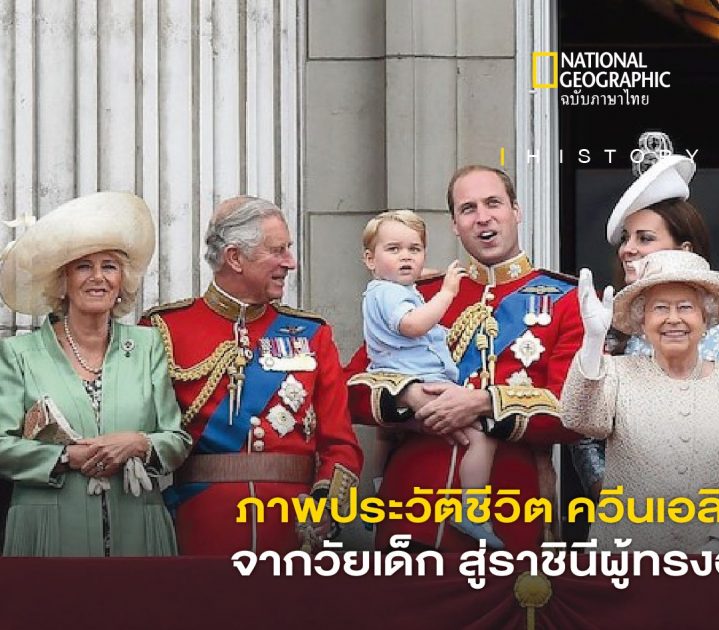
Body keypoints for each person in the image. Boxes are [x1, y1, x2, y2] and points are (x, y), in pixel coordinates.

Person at [344, 165, 584, 552]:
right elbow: (350, 389)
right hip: (411, 508)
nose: (482, 217)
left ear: (516, 211)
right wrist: (408, 396)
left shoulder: (566, 301)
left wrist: (484, 403)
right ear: (455, 225)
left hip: (508, 511)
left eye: (494, 203)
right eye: (468, 209)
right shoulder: (420, 295)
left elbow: (575, 412)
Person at [142, 196, 363, 555]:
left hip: (292, 528)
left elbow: (340, 443)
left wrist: (325, 504)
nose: (290, 262)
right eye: (277, 251)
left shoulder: (312, 333)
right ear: (234, 258)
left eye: (288, 248)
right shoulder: (164, 329)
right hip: (200, 526)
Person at [0, 191, 191, 556]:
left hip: (137, 528)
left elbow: (177, 440)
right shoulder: (18, 354)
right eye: (84, 266)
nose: (98, 278)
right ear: (62, 281)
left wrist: (139, 443)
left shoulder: (148, 345)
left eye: (110, 266)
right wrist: (65, 458)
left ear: (122, 281)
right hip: (49, 532)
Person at [571, 133, 719, 501]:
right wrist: (607, 494)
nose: (627, 249)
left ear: (684, 249)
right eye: (626, 238)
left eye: (644, 238)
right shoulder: (607, 323)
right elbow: (586, 432)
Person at [562, 249, 719, 552]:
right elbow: (579, 418)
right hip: (624, 561)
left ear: (706, 318)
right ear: (642, 321)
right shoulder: (617, 372)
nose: (673, 319)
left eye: (685, 307)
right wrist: (592, 342)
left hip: (716, 564)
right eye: (660, 308)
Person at [359, 209, 502, 548]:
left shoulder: (388, 289)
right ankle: (473, 511)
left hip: (392, 374)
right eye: (394, 249)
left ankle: (374, 495)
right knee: (482, 437)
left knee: (385, 436)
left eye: (415, 249)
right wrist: (447, 293)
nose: (406, 257)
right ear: (370, 259)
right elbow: (412, 325)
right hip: (421, 379)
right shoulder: (400, 294)